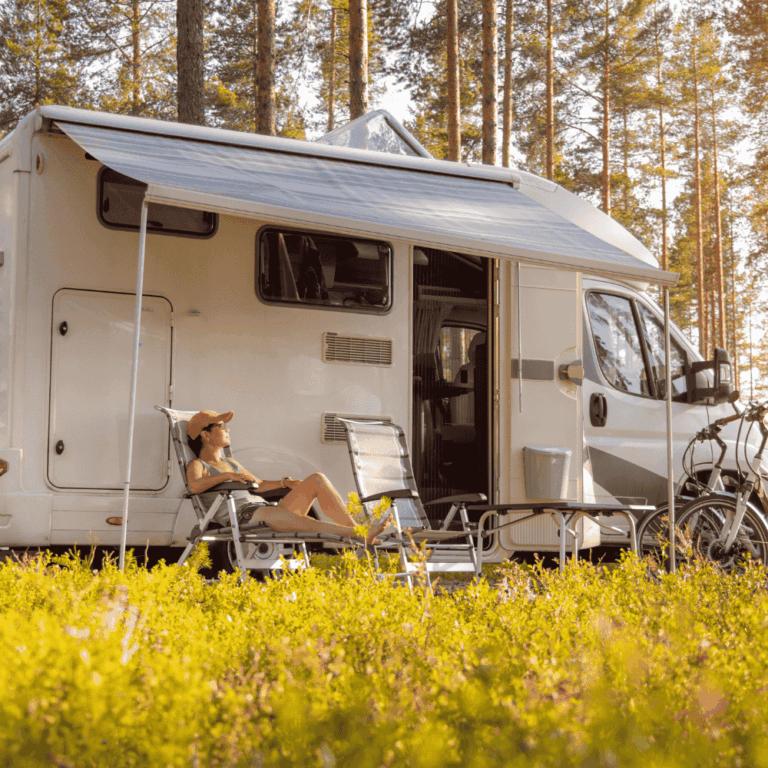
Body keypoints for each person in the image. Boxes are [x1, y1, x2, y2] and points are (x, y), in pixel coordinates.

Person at [185, 409, 388, 546]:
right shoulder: (198, 465)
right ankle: (358, 534)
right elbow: (194, 486)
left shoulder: (232, 463)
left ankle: (358, 532)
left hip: (265, 511)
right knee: (307, 523)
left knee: (317, 478)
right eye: (221, 426)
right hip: (244, 517)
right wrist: (227, 477)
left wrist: (285, 483)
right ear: (205, 435)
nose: (227, 430)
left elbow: (260, 485)